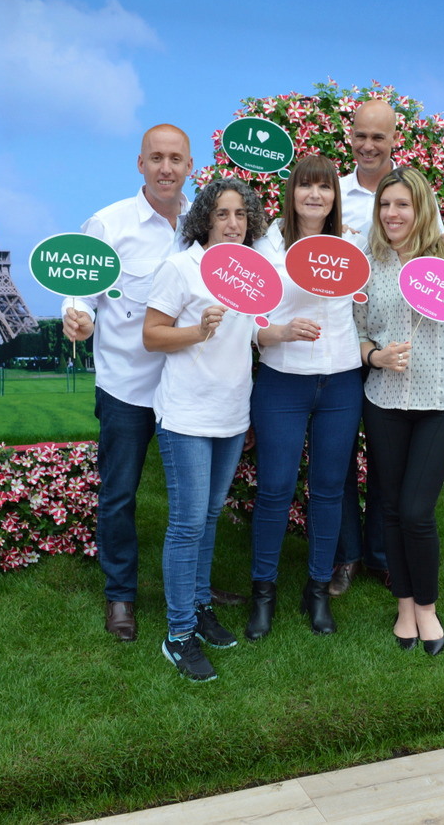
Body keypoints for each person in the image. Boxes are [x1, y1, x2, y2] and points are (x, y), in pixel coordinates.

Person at [330, 99, 444, 597]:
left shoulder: (416, 198)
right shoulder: (335, 196)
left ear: (394, 139)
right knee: (346, 464)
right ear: (351, 136)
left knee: (394, 480)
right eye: (361, 135)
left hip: (407, 365)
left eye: (379, 136)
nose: (369, 145)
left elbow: (441, 264)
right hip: (351, 352)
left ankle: (390, 564)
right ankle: (352, 560)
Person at [62, 123, 198, 644]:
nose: (166, 167)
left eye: (175, 159)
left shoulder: (203, 224)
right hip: (126, 388)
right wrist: (77, 316)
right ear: (140, 164)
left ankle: (195, 588)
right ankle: (120, 594)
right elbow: (80, 291)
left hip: (188, 386)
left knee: (196, 499)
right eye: (156, 158)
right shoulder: (109, 223)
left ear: (190, 166)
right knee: (119, 495)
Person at [354, 166, 444, 657]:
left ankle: (427, 607)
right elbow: (357, 330)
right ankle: (404, 604)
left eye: (402, 205)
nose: (392, 213)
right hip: (384, 402)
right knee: (390, 508)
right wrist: (375, 357)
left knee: (415, 510)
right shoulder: (369, 265)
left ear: (422, 208)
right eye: (385, 204)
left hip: (442, 403)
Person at [143, 178, 268, 682]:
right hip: (187, 416)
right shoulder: (181, 268)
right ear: (204, 220)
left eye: (240, 214)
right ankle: (177, 635)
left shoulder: (249, 271)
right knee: (188, 523)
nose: (232, 223)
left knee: (210, 515)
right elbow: (152, 336)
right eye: (222, 214)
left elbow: (253, 334)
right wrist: (198, 330)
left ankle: (198, 607)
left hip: (231, 414)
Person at [244, 155, 365, 640]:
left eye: (325, 187)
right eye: (305, 186)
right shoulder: (266, 245)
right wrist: (278, 331)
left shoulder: (352, 244)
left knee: (329, 489)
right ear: (291, 193)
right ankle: (263, 593)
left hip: (340, 381)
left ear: (335, 196)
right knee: (274, 489)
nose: (315, 195)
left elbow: (402, 261)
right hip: (283, 381)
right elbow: (246, 319)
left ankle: (317, 590)